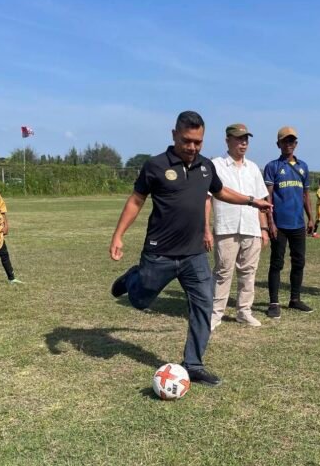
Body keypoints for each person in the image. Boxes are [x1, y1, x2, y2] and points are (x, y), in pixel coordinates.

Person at [109, 111, 271, 387]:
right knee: (140, 301)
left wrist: (251, 201)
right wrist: (118, 235)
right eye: (187, 140)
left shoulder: (207, 167)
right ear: (174, 135)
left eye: (198, 141)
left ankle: (193, 363)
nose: (193, 147)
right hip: (160, 252)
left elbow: (221, 192)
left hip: (194, 254)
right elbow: (136, 200)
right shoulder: (155, 166)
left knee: (203, 306)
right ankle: (133, 278)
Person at [206, 123, 270, 330]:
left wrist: (264, 229)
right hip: (227, 227)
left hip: (251, 227)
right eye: (238, 138)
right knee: (223, 271)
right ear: (227, 140)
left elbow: (261, 201)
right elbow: (207, 199)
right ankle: (216, 313)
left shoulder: (252, 168)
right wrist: (205, 228)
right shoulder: (216, 165)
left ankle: (244, 312)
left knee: (249, 272)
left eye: (246, 139)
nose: (243, 143)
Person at [263, 126, 315, 318]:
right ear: (278, 144)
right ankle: (274, 302)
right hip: (279, 224)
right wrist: (271, 222)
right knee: (276, 263)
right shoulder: (272, 167)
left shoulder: (303, 166)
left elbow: (305, 195)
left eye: (292, 141)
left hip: (298, 224)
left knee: (299, 262)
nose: (289, 145)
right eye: (285, 141)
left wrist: (311, 218)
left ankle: (295, 299)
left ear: (296, 144)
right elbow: (267, 197)